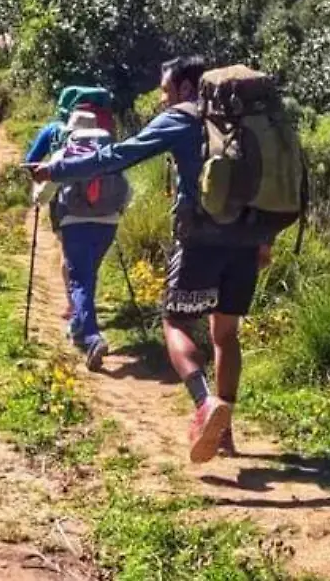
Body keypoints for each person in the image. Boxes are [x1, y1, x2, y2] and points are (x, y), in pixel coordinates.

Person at [35, 55, 270, 464]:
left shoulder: (180, 118)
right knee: (225, 334)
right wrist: (265, 239)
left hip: (200, 239)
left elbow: (116, 157)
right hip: (249, 238)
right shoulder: (245, 120)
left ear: (184, 87)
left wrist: (57, 170)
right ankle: (225, 431)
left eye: (164, 91)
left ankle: (204, 403)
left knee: (175, 321)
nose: (162, 100)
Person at [26, 101, 127, 372]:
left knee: (80, 280)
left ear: (72, 131)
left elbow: (44, 192)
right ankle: (78, 327)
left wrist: (37, 197)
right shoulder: (110, 153)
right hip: (109, 223)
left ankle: (93, 338)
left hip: (75, 223)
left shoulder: (65, 154)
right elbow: (127, 192)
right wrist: (115, 213)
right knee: (88, 275)